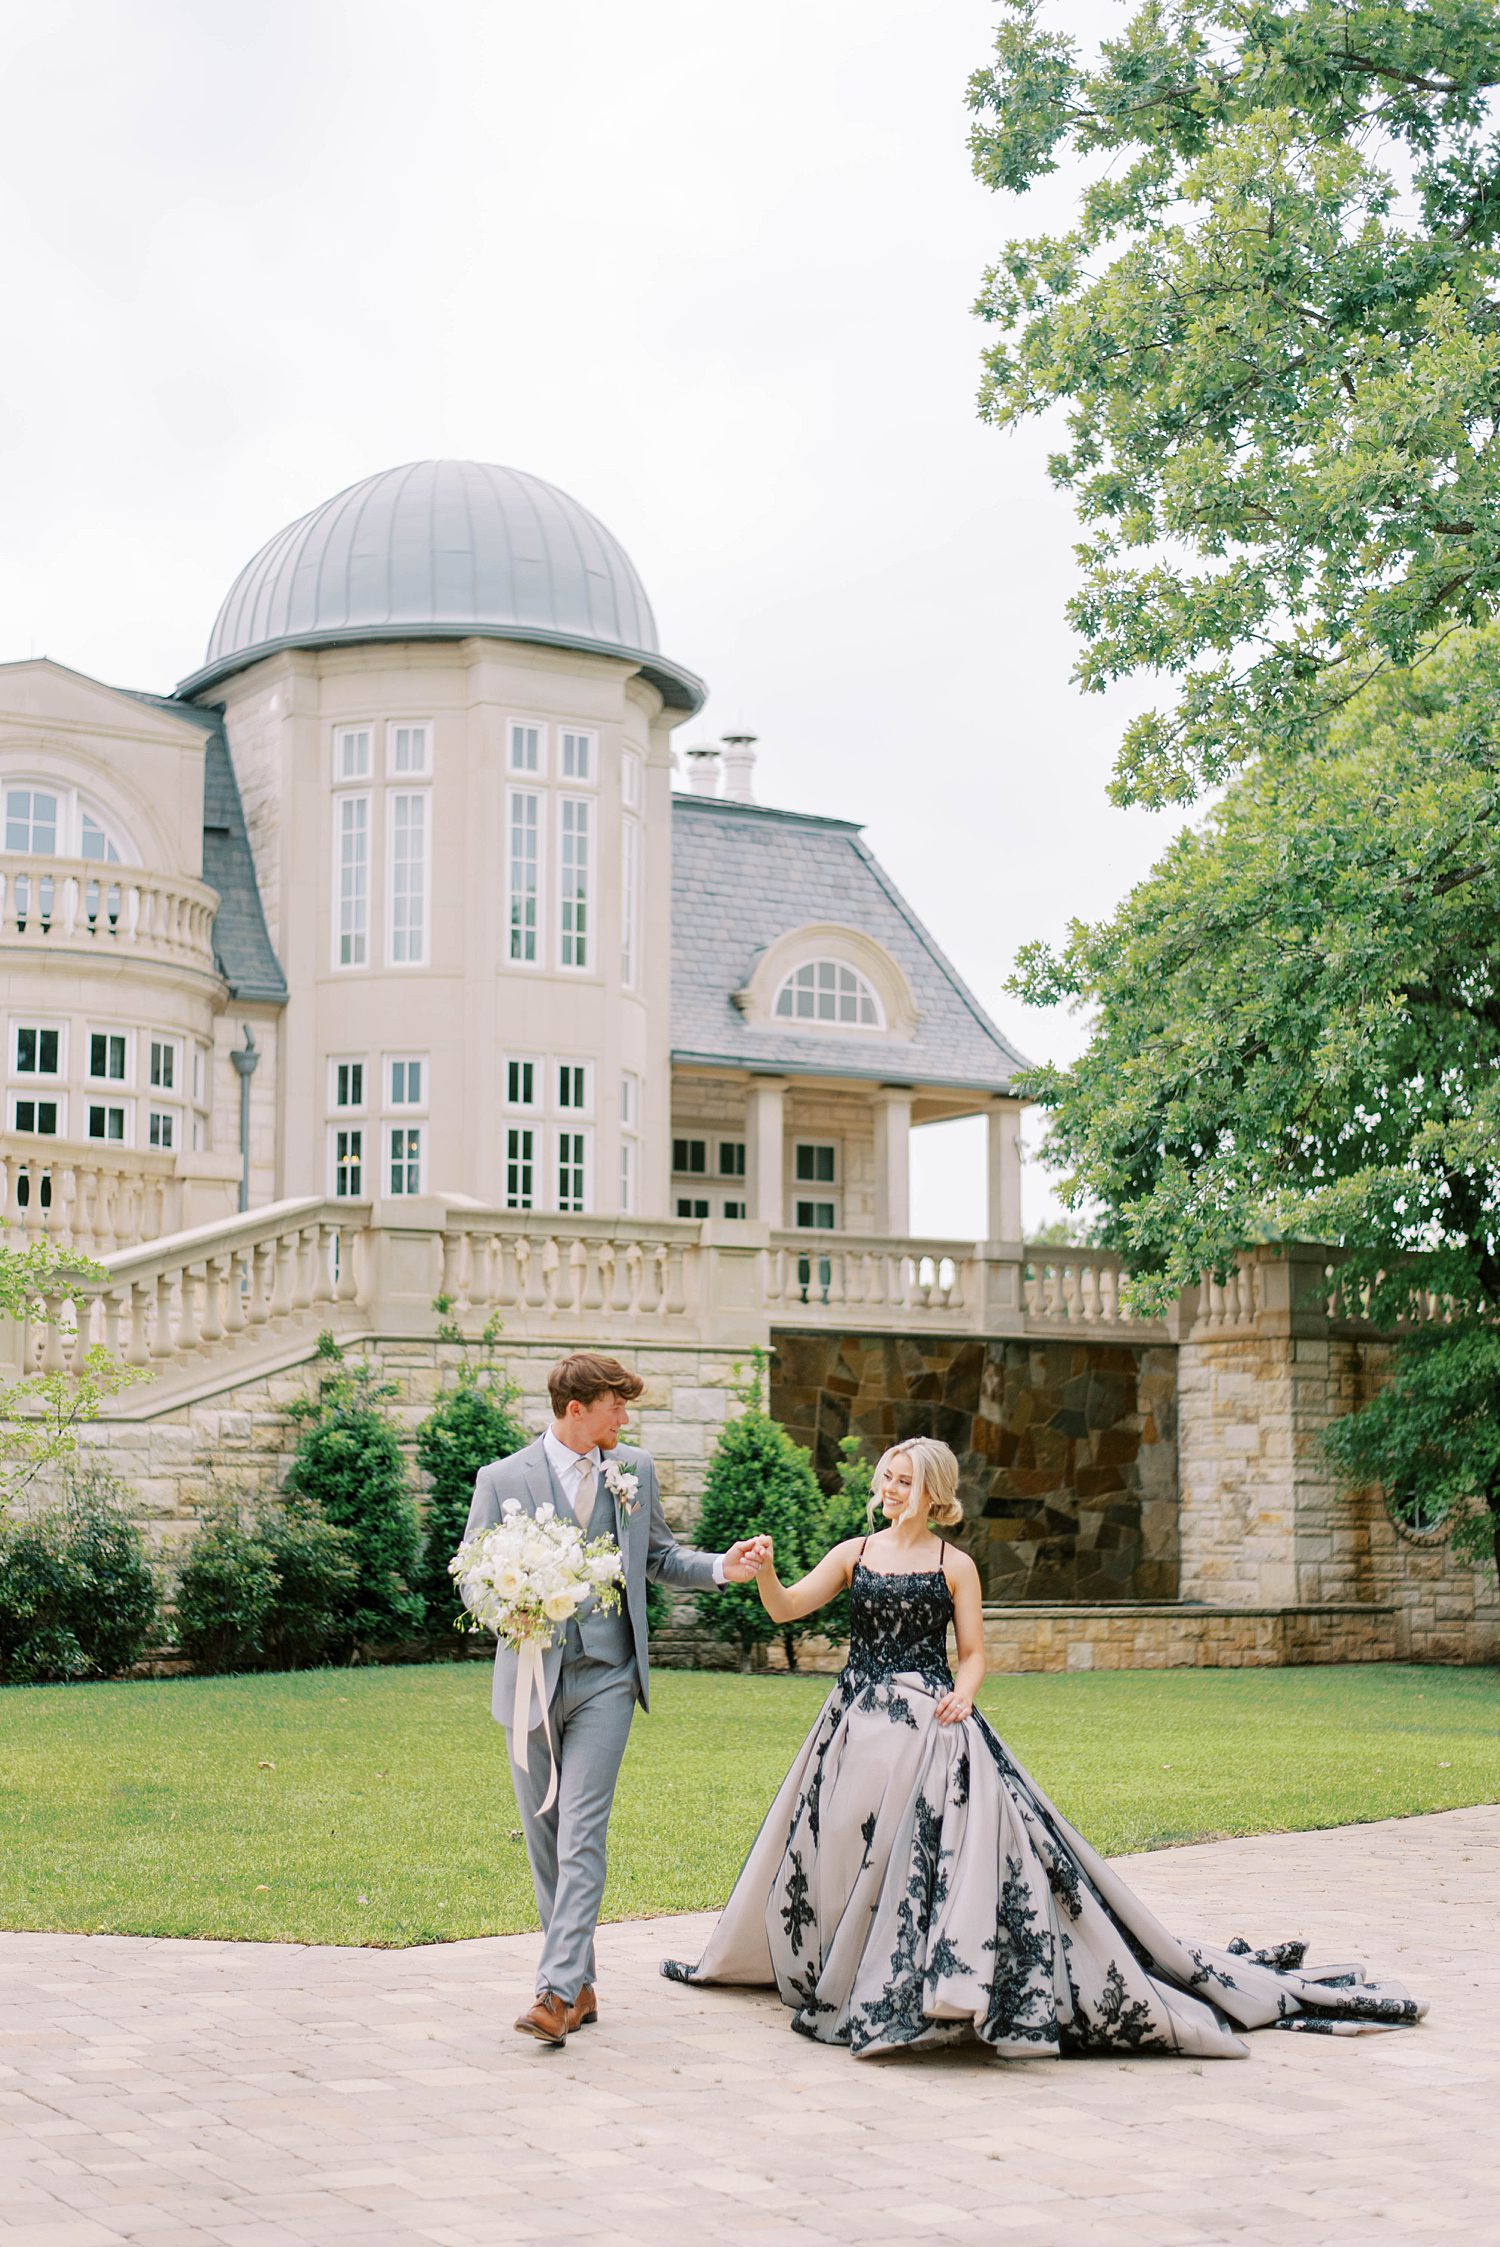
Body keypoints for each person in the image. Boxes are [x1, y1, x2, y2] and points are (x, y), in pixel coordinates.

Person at [663, 1436, 1426, 2059]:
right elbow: (791, 1607)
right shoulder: (855, 1550)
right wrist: (762, 1571)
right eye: (886, 1477)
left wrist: (966, 1690)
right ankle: (844, 1967)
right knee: (839, 1855)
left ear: (934, 1490)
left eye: (903, 1479)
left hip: (932, 1727)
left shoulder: (952, 1564)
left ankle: (928, 1985)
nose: (889, 1488)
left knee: (922, 1857)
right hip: (856, 1725)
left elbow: (973, 1651)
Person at [460, 1351, 770, 2047]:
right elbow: (472, 1573)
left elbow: (658, 1556)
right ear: (577, 1409)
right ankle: (582, 1980)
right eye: (615, 1406)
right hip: (531, 1680)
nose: (624, 1418)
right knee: (544, 1839)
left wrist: (726, 1566)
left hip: (606, 1678)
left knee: (581, 1829)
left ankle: (554, 1991)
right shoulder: (502, 1478)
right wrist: (512, 1604)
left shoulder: (632, 1471)